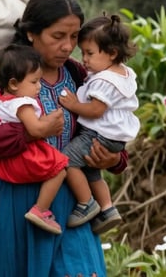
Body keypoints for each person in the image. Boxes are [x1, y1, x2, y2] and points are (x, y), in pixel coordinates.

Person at [0, 0, 129, 277]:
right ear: (31, 33)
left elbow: (111, 125)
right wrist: (31, 133)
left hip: (71, 203)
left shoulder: (81, 77)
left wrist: (114, 160)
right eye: (57, 36)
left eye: (74, 37)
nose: (67, 46)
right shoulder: (0, 75)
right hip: (9, 201)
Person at [58, 14, 138, 234]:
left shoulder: (103, 80)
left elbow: (95, 110)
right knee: (91, 172)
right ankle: (108, 208)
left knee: (66, 162)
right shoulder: (123, 73)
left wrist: (73, 105)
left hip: (97, 135)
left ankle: (86, 203)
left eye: (89, 53)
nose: (84, 59)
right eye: (82, 52)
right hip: (114, 139)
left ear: (112, 53)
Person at [0, 44, 68, 235]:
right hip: (24, 153)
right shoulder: (23, 103)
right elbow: (35, 129)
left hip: (4, 156)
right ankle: (41, 209)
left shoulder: (1, 97)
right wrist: (52, 121)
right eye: (34, 82)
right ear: (14, 84)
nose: (39, 86)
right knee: (60, 169)